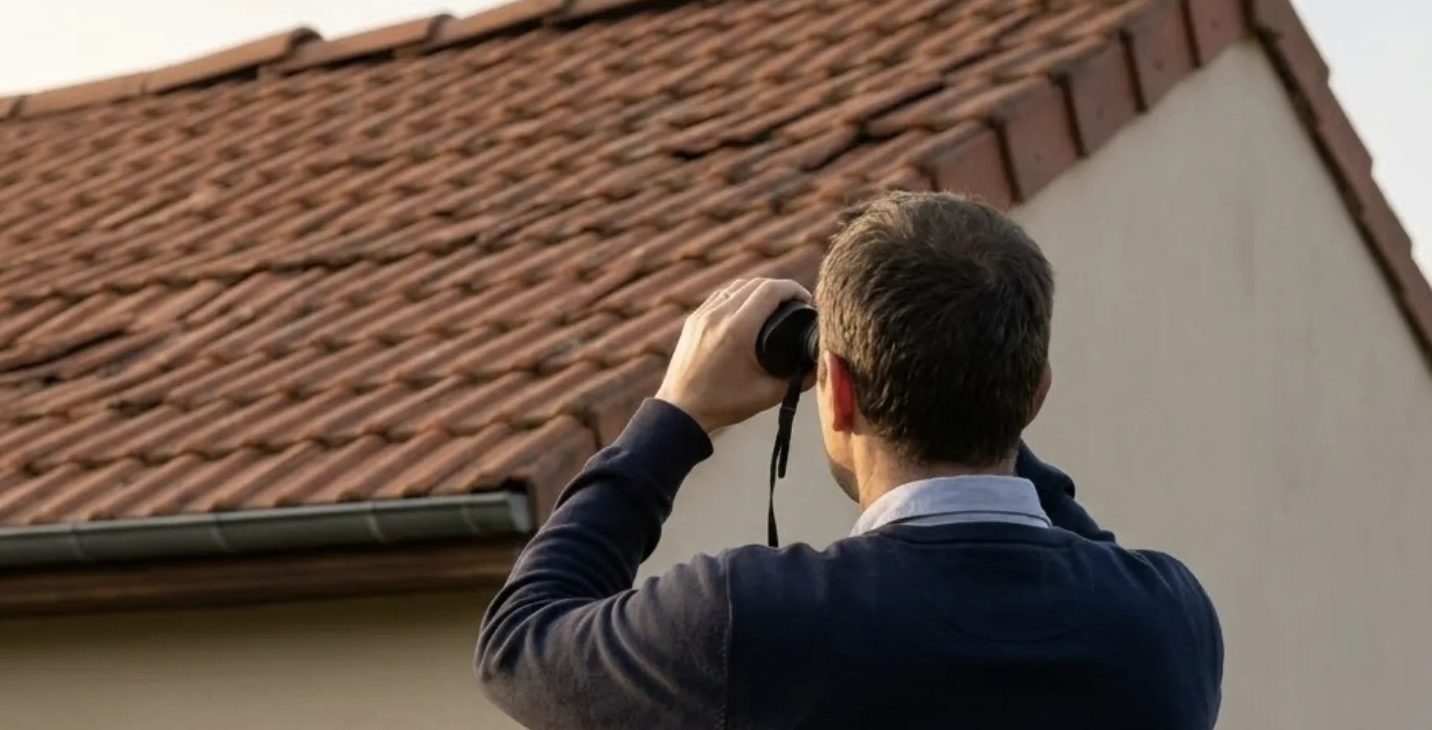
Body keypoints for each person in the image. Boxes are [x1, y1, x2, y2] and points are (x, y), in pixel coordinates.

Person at [474, 192, 1224, 729]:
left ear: (834, 391)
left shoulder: (752, 619)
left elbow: (520, 643)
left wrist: (676, 413)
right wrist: (977, 380)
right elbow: (1087, 554)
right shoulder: (1166, 621)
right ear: (1037, 397)